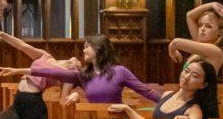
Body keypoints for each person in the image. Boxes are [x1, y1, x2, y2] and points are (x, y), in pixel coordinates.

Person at [32, 35, 163, 108]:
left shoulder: (120, 71)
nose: (83, 51)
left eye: (87, 47)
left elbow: (146, 91)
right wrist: (21, 71)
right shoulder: (83, 74)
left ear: (99, 48)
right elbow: (53, 73)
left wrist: (171, 104)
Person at [111, 55, 219, 119]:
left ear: (203, 85)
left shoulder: (194, 109)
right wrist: (127, 109)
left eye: (194, 76)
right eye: (186, 71)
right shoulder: (167, 94)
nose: (186, 77)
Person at [168, 1, 223, 82]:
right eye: (200, 25)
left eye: (208, 26)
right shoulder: (200, 42)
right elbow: (189, 16)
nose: (202, 29)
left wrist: (172, 50)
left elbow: (176, 43)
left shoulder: (215, 51)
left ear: (220, 32)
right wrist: (212, 5)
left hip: (200, 94)